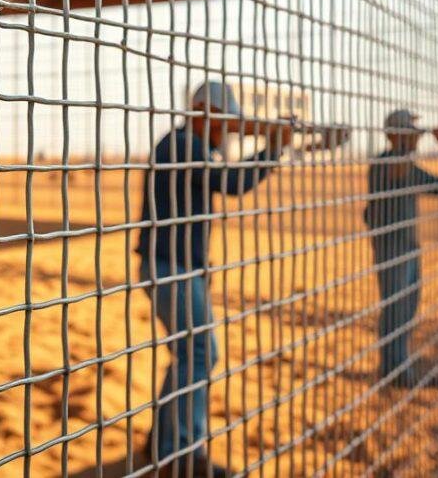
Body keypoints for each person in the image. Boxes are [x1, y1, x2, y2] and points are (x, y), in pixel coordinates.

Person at [135, 81, 348, 477]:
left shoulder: (194, 146)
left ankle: (164, 443)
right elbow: (232, 182)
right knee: (200, 353)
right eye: (223, 119)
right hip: (169, 265)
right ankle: (183, 454)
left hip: (179, 265)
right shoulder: (182, 144)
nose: (227, 128)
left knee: (190, 353)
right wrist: (272, 145)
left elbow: (225, 171)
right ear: (202, 110)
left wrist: (276, 142)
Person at [363, 109, 438, 388]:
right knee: (394, 309)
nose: (415, 136)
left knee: (407, 310)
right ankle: (393, 372)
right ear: (393, 134)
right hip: (391, 249)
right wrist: (407, 142)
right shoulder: (385, 163)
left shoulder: (409, 166)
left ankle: (400, 368)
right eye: (407, 130)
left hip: (409, 248)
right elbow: (397, 169)